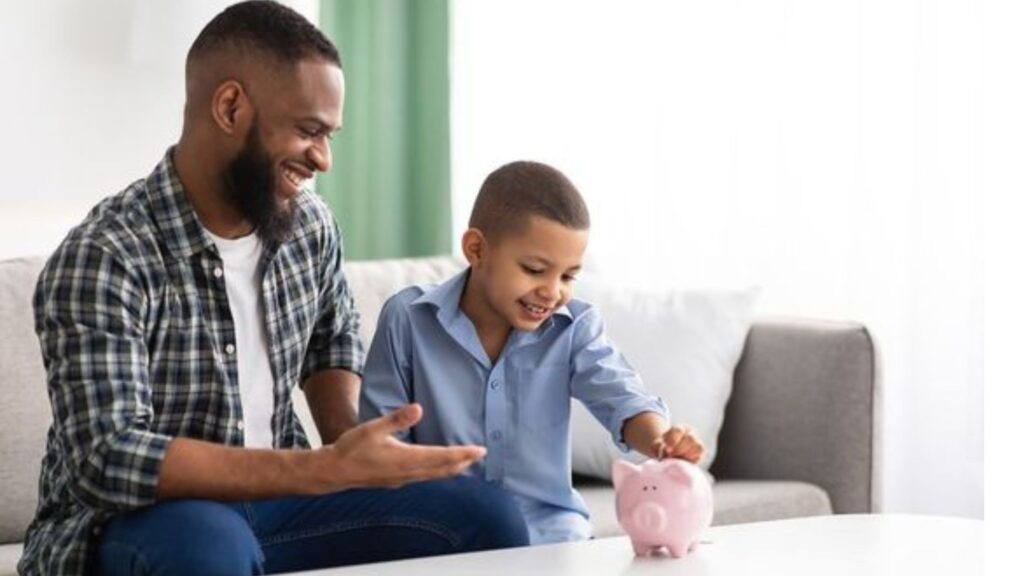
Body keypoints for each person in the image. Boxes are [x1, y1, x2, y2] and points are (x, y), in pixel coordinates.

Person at [19, 2, 529, 574]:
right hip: (137, 523)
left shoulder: (309, 227)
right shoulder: (105, 256)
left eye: (330, 134)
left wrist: (357, 450)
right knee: (207, 544)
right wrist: (321, 469)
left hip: (278, 507)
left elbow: (330, 345)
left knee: (490, 517)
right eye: (309, 131)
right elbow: (108, 458)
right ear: (230, 106)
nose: (324, 159)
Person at [359, 160, 706, 544]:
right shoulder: (408, 319)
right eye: (535, 269)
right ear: (476, 249)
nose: (553, 291)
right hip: (444, 531)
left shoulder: (574, 328)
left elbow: (622, 397)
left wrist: (661, 441)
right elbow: (381, 448)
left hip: (552, 535)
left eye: (569, 275)